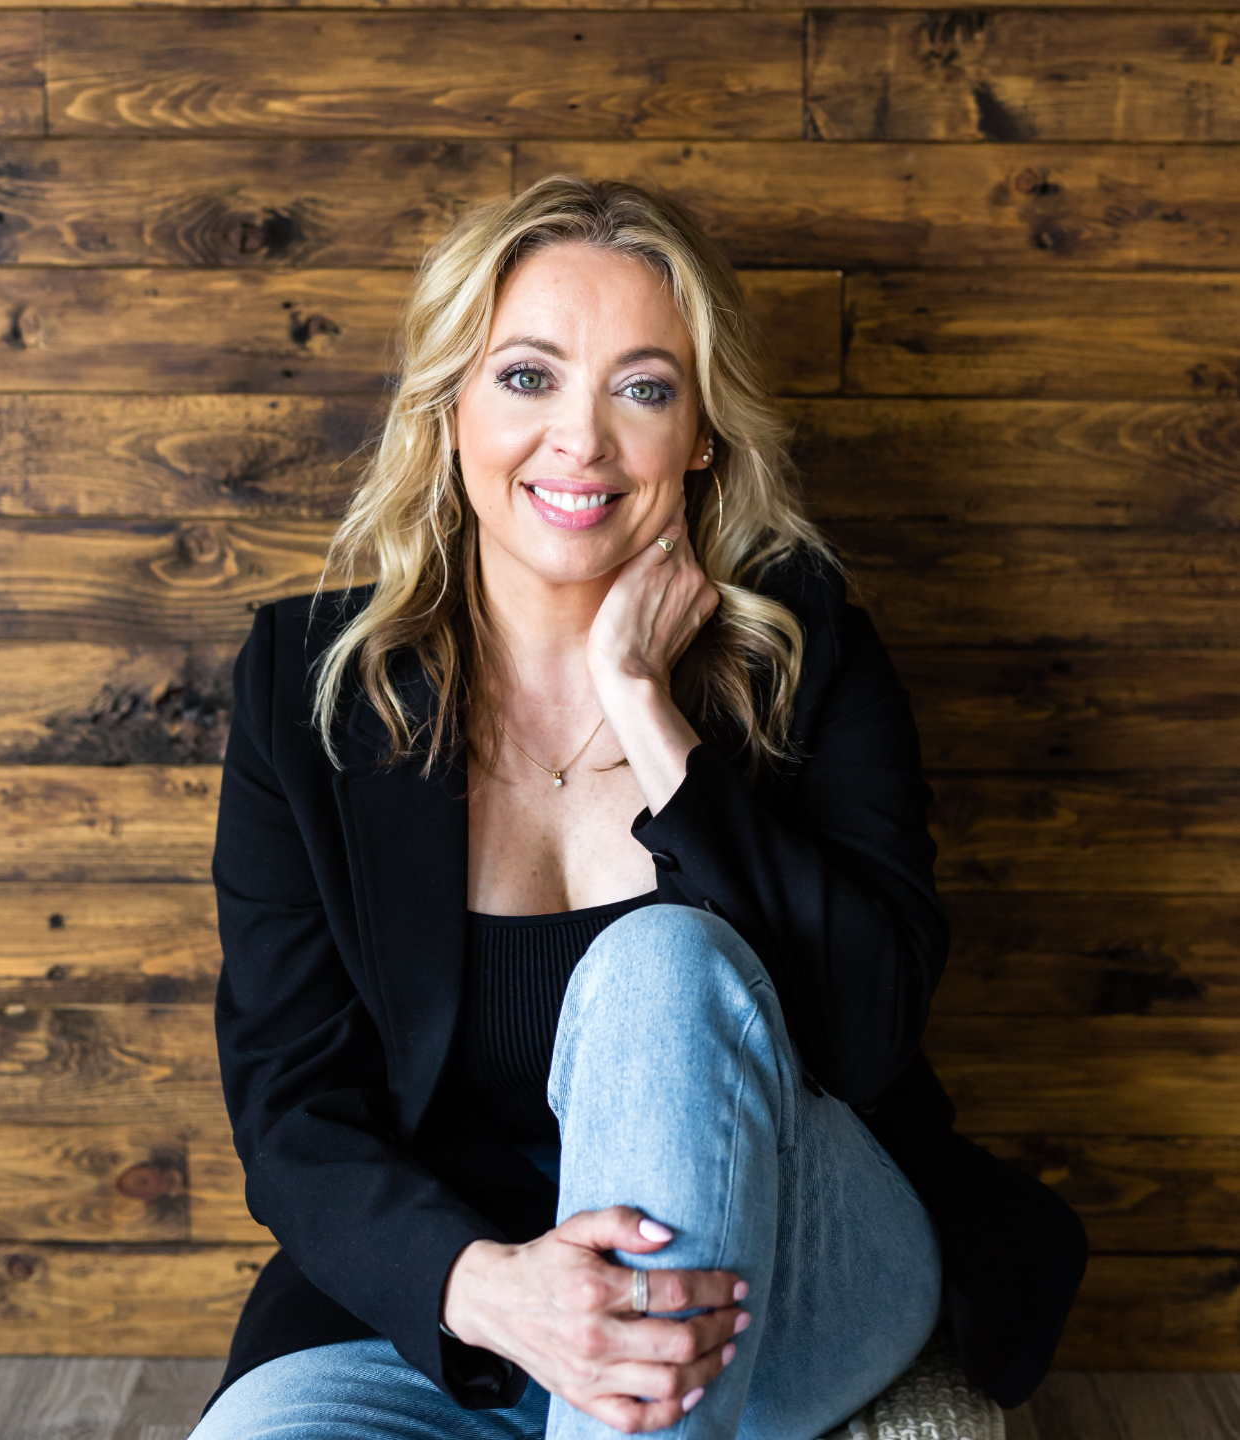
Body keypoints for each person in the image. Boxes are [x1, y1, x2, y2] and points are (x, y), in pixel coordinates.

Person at [191, 177, 1085, 1440]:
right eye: (527, 378)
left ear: (702, 434)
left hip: (786, 1279)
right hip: (456, 1306)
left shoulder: (810, 654)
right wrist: (488, 1289)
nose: (582, 441)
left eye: (644, 390)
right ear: (449, 408)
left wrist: (650, 712)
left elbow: (871, 1037)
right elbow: (291, 1102)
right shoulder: (310, 690)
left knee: (660, 959)